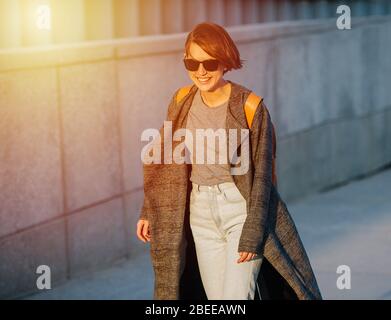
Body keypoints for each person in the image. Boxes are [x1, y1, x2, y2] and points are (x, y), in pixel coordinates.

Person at [137, 22, 322, 300]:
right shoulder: (181, 101)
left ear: (225, 61)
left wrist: (252, 232)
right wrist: (148, 211)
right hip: (200, 214)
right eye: (192, 62)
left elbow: (261, 178)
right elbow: (163, 160)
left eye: (209, 63)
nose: (200, 71)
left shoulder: (250, 106)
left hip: (240, 211)